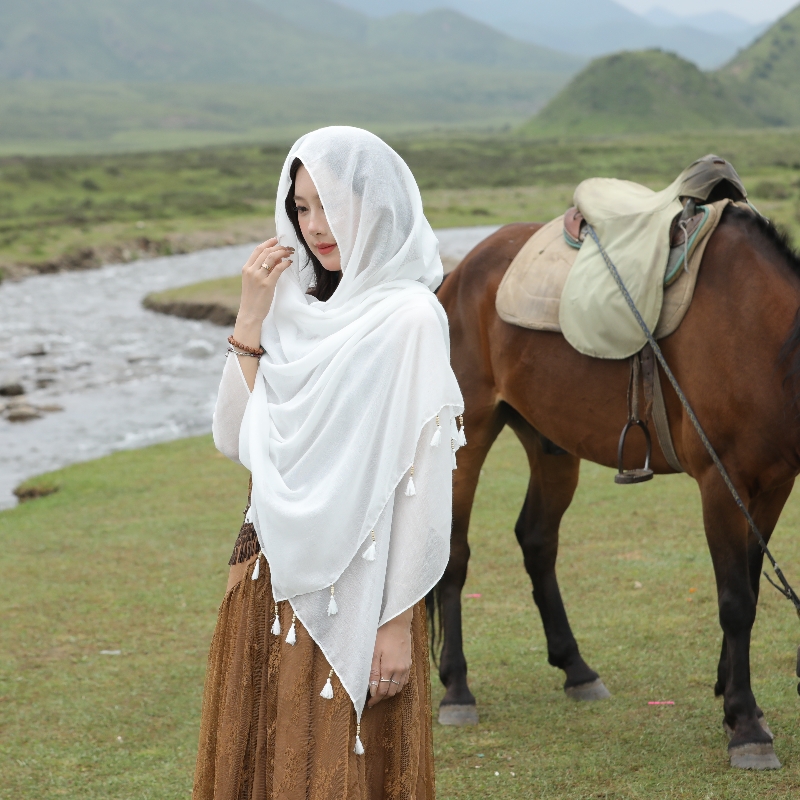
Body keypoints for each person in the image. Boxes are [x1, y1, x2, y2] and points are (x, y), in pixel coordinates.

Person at [193, 127, 465, 800]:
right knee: (264, 759)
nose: (314, 226)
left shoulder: (411, 320)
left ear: (374, 206)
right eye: (302, 207)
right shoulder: (295, 306)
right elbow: (238, 439)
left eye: (329, 205)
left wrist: (396, 624)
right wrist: (252, 316)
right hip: (270, 573)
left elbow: (421, 487)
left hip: (367, 591)